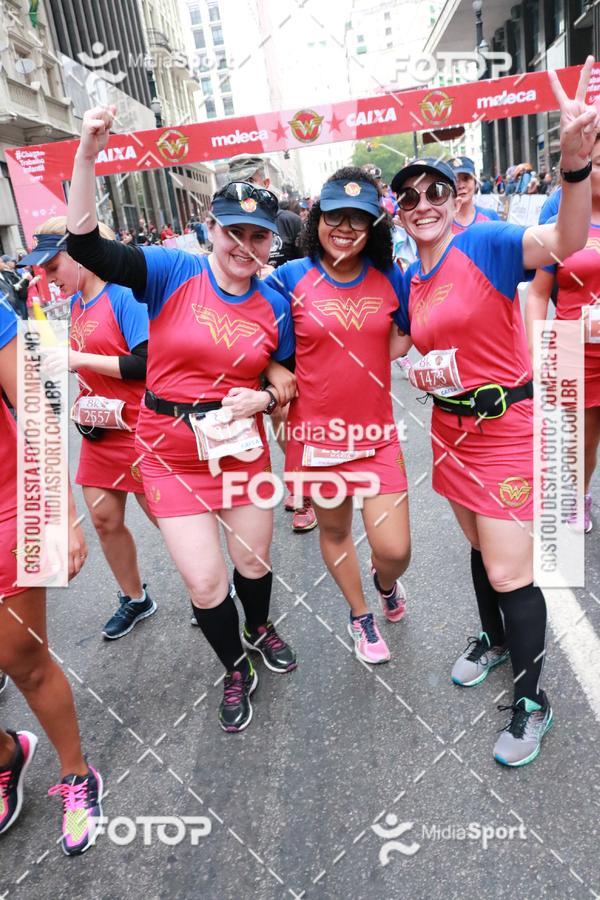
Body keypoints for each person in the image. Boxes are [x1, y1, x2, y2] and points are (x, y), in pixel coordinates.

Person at [389, 57, 599, 766]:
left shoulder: (484, 244)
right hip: (448, 431)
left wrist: (573, 166)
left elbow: (566, 242)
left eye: (435, 191)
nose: (423, 203)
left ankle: (533, 702)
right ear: (398, 210)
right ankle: (496, 638)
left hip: (505, 429)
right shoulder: (410, 278)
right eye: (409, 195)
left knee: (511, 571)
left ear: (455, 200)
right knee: (481, 549)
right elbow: (393, 343)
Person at [66, 105, 298, 734]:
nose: (245, 247)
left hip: (240, 447)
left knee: (253, 563)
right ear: (210, 229)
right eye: (233, 232)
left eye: (258, 236)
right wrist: (87, 155)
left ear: (270, 241)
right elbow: (86, 246)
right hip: (170, 452)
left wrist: (266, 398)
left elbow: (285, 375)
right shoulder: (172, 272)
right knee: (203, 582)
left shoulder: (275, 303)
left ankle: (260, 626)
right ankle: (235, 667)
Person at [265, 167, 411, 665]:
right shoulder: (289, 278)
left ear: (374, 226)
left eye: (359, 218)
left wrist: (372, 359)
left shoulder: (390, 275)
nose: (345, 227)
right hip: (317, 438)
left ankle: (384, 582)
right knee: (334, 531)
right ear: (317, 219)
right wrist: (272, 369)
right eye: (335, 216)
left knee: (395, 549)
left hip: (376, 436)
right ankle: (360, 615)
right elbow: (253, 329)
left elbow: (408, 330)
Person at [17, 218, 157, 640]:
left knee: (168, 520)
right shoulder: (78, 302)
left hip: (141, 430)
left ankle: (208, 589)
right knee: (103, 518)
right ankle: (135, 598)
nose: (48, 278)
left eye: (53, 266)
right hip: (100, 431)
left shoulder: (124, 295)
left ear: (79, 256)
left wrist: (77, 360)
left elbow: (147, 363)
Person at [0, 297, 103, 854]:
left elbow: (37, 409)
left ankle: (76, 773)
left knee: (24, 662)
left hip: (6, 512)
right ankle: (7, 755)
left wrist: (61, 515)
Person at [227, 153, 317, 531]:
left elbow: (312, 271)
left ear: (265, 182)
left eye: (249, 180)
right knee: (269, 412)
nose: (243, 189)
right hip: (247, 334)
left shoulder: (289, 222)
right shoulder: (228, 224)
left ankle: (303, 489)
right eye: (236, 182)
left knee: (288, 411)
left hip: (292, 329)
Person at [525, 133, 600, 533]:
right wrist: (537, 352)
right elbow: (538, 294)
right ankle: (578, 494)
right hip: (574, 349)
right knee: (582, 440)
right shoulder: (563, 227)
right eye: (598, 163)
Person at [448, 157, 500, 233]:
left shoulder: (490, 216)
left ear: (475, 183)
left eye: (466, 179)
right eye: (455, 180)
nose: (461, 186)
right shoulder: (442, 223)